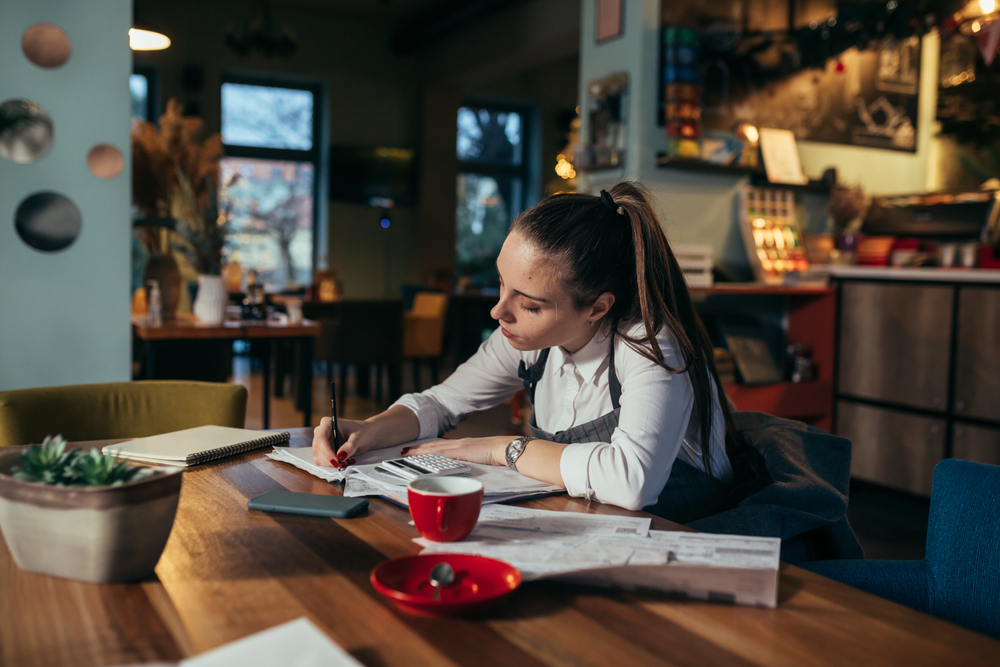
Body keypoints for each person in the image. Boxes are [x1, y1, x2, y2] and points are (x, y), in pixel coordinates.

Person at [313, 182, 762, 522]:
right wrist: (370, 430)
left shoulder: (649, 344)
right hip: (588, 529)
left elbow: (631, 483)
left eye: (528, 304)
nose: (498, 311)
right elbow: (441, 403)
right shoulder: (529, 342)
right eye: (502, 284)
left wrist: (501, 449)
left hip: (686, 535)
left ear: (598, 307)